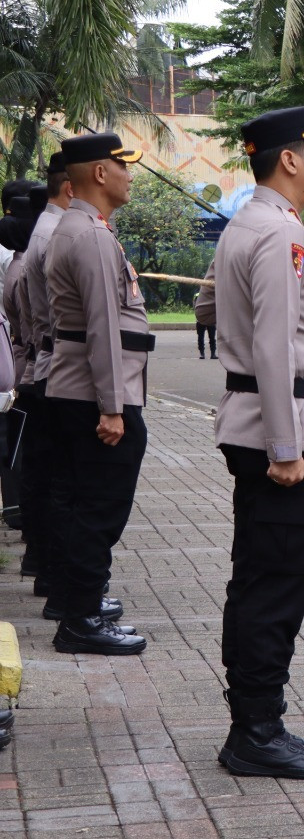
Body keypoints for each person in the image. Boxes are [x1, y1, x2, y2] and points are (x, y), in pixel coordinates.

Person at [208, 106, 304, 778]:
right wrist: (285, 447)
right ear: (289, 159)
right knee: (276, 581)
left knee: (261, 575)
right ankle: (256, 731)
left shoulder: (260, 225)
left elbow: (244, 316)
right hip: (287, 429)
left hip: (272, 423)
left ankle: (255, 718)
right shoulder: (279, 234)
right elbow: (271, 345)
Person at [42, 133, 151, 656]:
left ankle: (77, 603)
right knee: (99, 507)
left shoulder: (86, 229)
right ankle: (82, 618)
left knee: (86, 503)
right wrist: (112, 407)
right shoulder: (89, 236)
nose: (131, 175)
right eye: (123, 166)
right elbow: (104, 328)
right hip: (95, 395)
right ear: (100, 174)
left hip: (83, 390)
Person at [7, 154, 69, 590]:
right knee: (50, 472)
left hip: (34, 366)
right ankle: (48, 562)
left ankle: (40, 554)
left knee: (39, 467)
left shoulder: (26, 253)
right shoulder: (47, 245)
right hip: (41, 368)